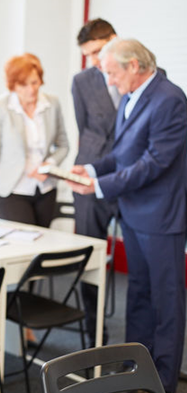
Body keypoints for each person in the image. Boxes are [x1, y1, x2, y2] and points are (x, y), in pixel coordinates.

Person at [68, 38, 187, 393]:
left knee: (166, 300)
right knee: (137, 294)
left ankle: (163, 380)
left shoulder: (170, 100)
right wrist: (88, 170)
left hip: (162, 218)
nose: (110, 82)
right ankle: (136, 367)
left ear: (134, 65)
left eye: (113, 73)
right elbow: (121, 156)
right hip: (133, 214)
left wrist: (100, 186)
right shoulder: (130, 97)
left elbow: (154, 163)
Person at [0, 53, 69, 228]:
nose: (31, 90)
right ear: (13, 85)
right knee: (24, 243)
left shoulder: (52, 104)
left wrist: (49, 164)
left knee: (43, 243)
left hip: (46, 189)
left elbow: (63, 145)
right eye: (23, 85)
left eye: (35, 83)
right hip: (11, 190)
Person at [71, 18, 119, 347]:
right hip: (90, 176)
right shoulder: (82, 81)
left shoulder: (141, 71)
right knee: (90, 258)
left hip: (131, 176)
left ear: (115, 40)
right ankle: (94, 338)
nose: (97, 60)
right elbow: (84, 128)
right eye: (90, 55)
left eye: (100, 51)